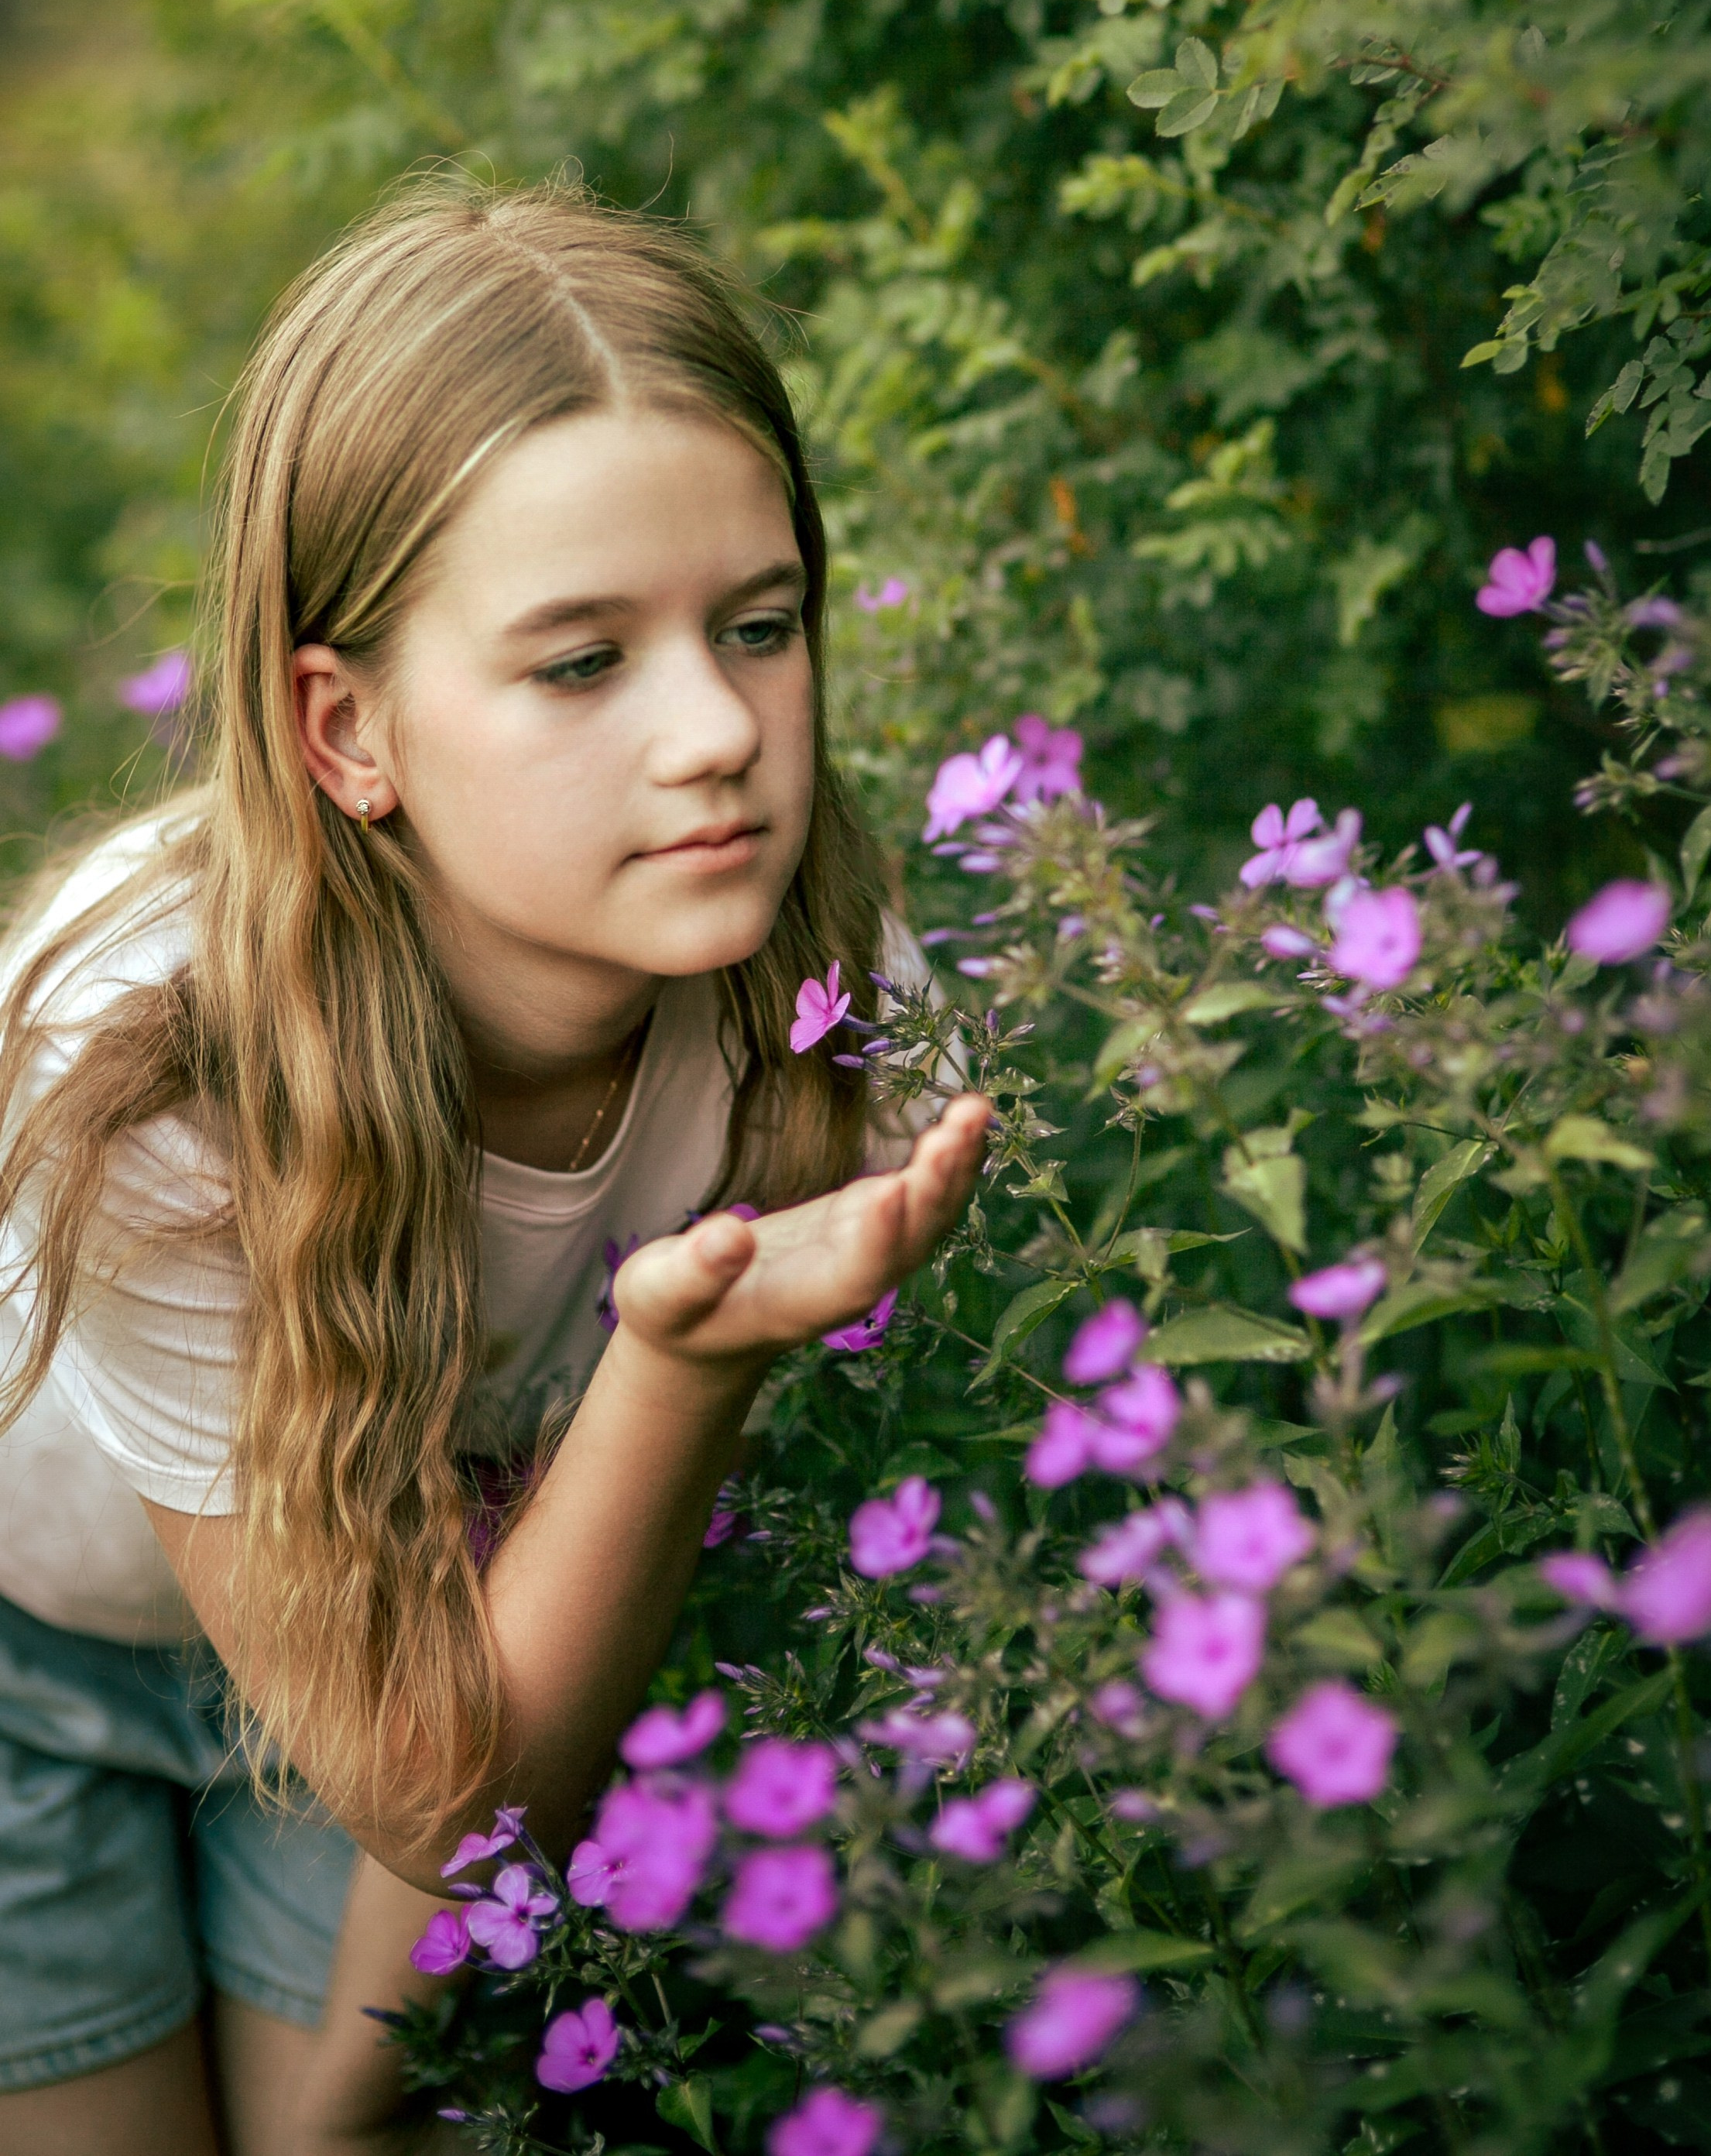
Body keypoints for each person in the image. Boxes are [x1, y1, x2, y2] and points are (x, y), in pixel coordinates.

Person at [0, 180, 988, 2156]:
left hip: (421, 1630)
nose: (719, 732)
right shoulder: (153, 1086)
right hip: (32, 1671)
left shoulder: (816, 992)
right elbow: (435, 1778)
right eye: (580, 663)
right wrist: (680, 1369)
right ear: (347, 727)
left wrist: (352, 2107)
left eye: (762, 625)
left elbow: (457, 1757)